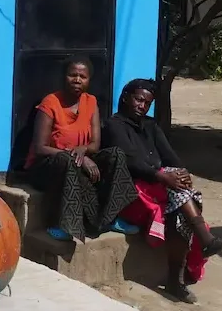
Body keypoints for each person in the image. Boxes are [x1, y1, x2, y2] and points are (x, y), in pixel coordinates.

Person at [104, 78, 222, 303]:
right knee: (180, 199)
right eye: (138, 100)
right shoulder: (114, 125)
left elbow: (169, 156)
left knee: (179, 216)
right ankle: (203, 244)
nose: (142, 106)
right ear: (126, 97)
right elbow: (129, 161)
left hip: (159, 185)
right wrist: (162, 176)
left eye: (147, 103)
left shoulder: (150, 125)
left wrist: (182, 173)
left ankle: (176, 281)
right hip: (131, 189)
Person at [26, 57, 140, 242]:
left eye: (82, 76)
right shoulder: (51, 103)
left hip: (76, 161)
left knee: (115, 155)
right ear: (64, 77)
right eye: (73, 75)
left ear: (89, 80)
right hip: (46, 167)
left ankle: (110, 217)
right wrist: (77, 155)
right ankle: (61, 223)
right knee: (67, 161)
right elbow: (40, 148)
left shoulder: (90, 102)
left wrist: (83, 149)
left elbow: (95, 144)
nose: (77, 79)